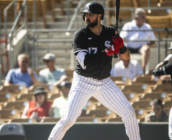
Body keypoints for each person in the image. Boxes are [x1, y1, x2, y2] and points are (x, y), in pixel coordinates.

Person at [48, 2, 141, 140]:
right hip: (83, 82)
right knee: (68, 119)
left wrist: (121, 47)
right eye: (85, 14)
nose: (87, 17)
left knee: (129, 112)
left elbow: (126, 56)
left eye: (90, 14)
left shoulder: (110, 33)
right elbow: (85, 61)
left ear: (99, 16)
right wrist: (109, 51)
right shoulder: (80, 35)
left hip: (104, 82)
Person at [120, 8, 156, 72]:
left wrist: (147, 45)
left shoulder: (147, 27)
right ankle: (124, 70)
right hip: (129, 48)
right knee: (123, 48)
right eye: (142, 17)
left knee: (146, 49)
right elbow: (121, 38)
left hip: (141, 49)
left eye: (145, 17)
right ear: (136, 18)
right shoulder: (128, 25)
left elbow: (153, 41)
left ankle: (143, 71)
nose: (145, 18)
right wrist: (123, 44)